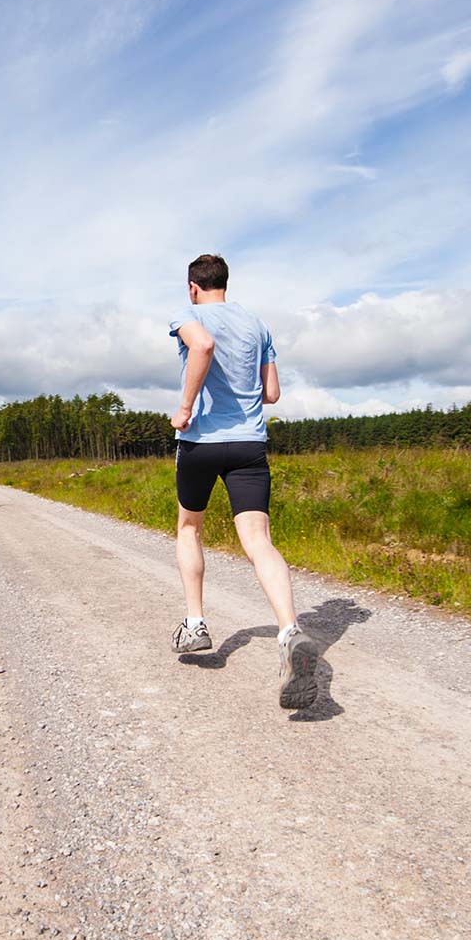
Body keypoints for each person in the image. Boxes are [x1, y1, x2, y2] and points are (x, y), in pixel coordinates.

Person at [168, 253, 318, 708]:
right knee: (258, 540)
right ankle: (290, 630)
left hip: (200, 444)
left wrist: (186, 407)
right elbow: (271, 393)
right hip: (250, 444)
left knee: (189, 527)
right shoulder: (257, 325)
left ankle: (195, 625)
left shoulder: (188, 315)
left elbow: (203, 346)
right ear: (225, 284)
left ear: (193, 287)